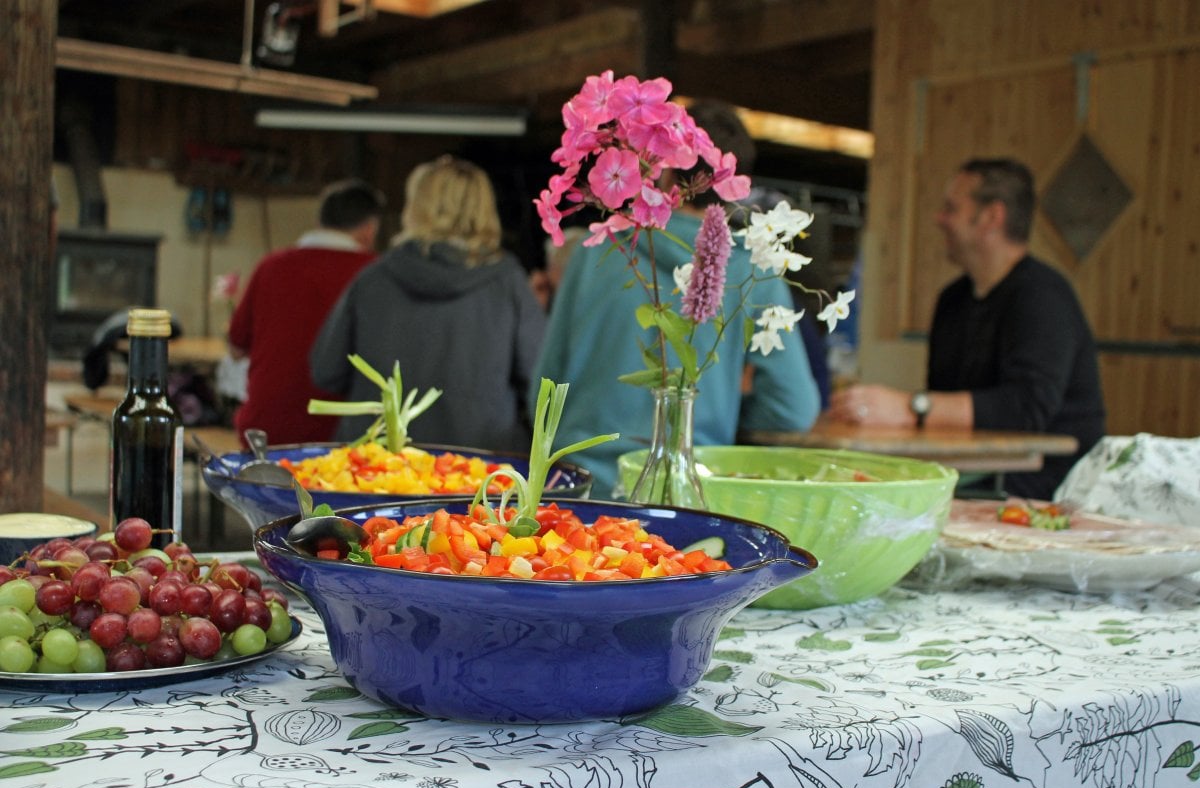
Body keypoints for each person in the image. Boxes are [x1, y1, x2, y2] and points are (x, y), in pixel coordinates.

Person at [532, 100, 821, 499]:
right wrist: (721, 415)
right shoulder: (753, 271)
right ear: (738, 184)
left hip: (578, 487)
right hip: (685, 492)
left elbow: (542, 395)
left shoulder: (595, 249)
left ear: (662, 163)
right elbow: (794, 410)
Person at [829, 157, 1105, 499]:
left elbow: (1026, 408)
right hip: (974, 478)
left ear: (992, 217)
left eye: (950, 208)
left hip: (1047, 489)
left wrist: (910, 407)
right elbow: (946, 405)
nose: (938, 219)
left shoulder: (1043, 296)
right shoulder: (953, 300)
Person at [310, 156, 544, 452]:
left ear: (415, 206)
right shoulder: (508, 283)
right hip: (478, 470)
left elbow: (325, 372)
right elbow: (542, 382)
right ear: (485, 209)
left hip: (380, 470)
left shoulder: (372, 280)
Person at [228, 178, 386, 444]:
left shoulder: (271, 266)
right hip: (342, 439)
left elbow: (236, 348)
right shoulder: (376, 275)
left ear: (319, 222)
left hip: (265, 432)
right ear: (369, 229)